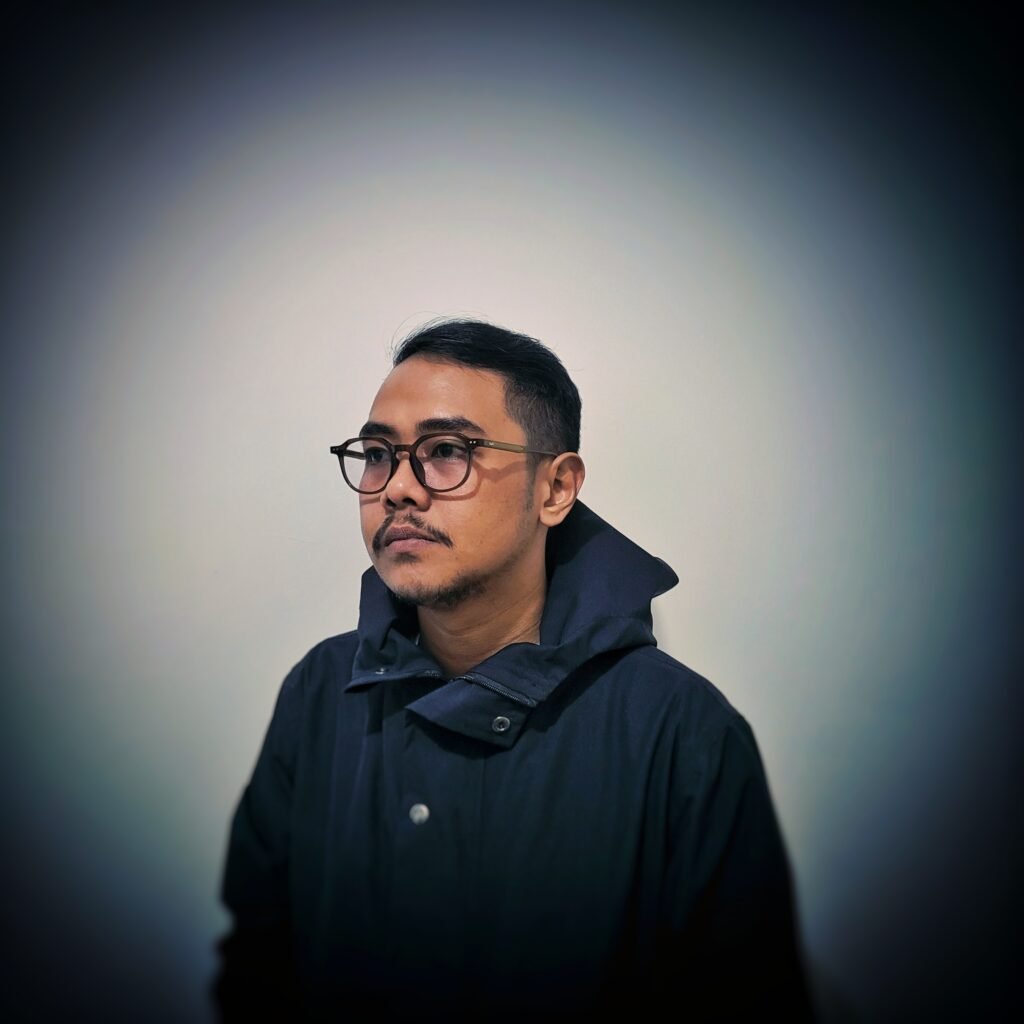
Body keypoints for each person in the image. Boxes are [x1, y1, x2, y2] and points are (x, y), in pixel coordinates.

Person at [214, 319, 814, 1020]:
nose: (398, 488)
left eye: (446, 451)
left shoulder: (684, 734)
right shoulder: (321, 691)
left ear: (555, 488)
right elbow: (257, 968)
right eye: (377, 454)